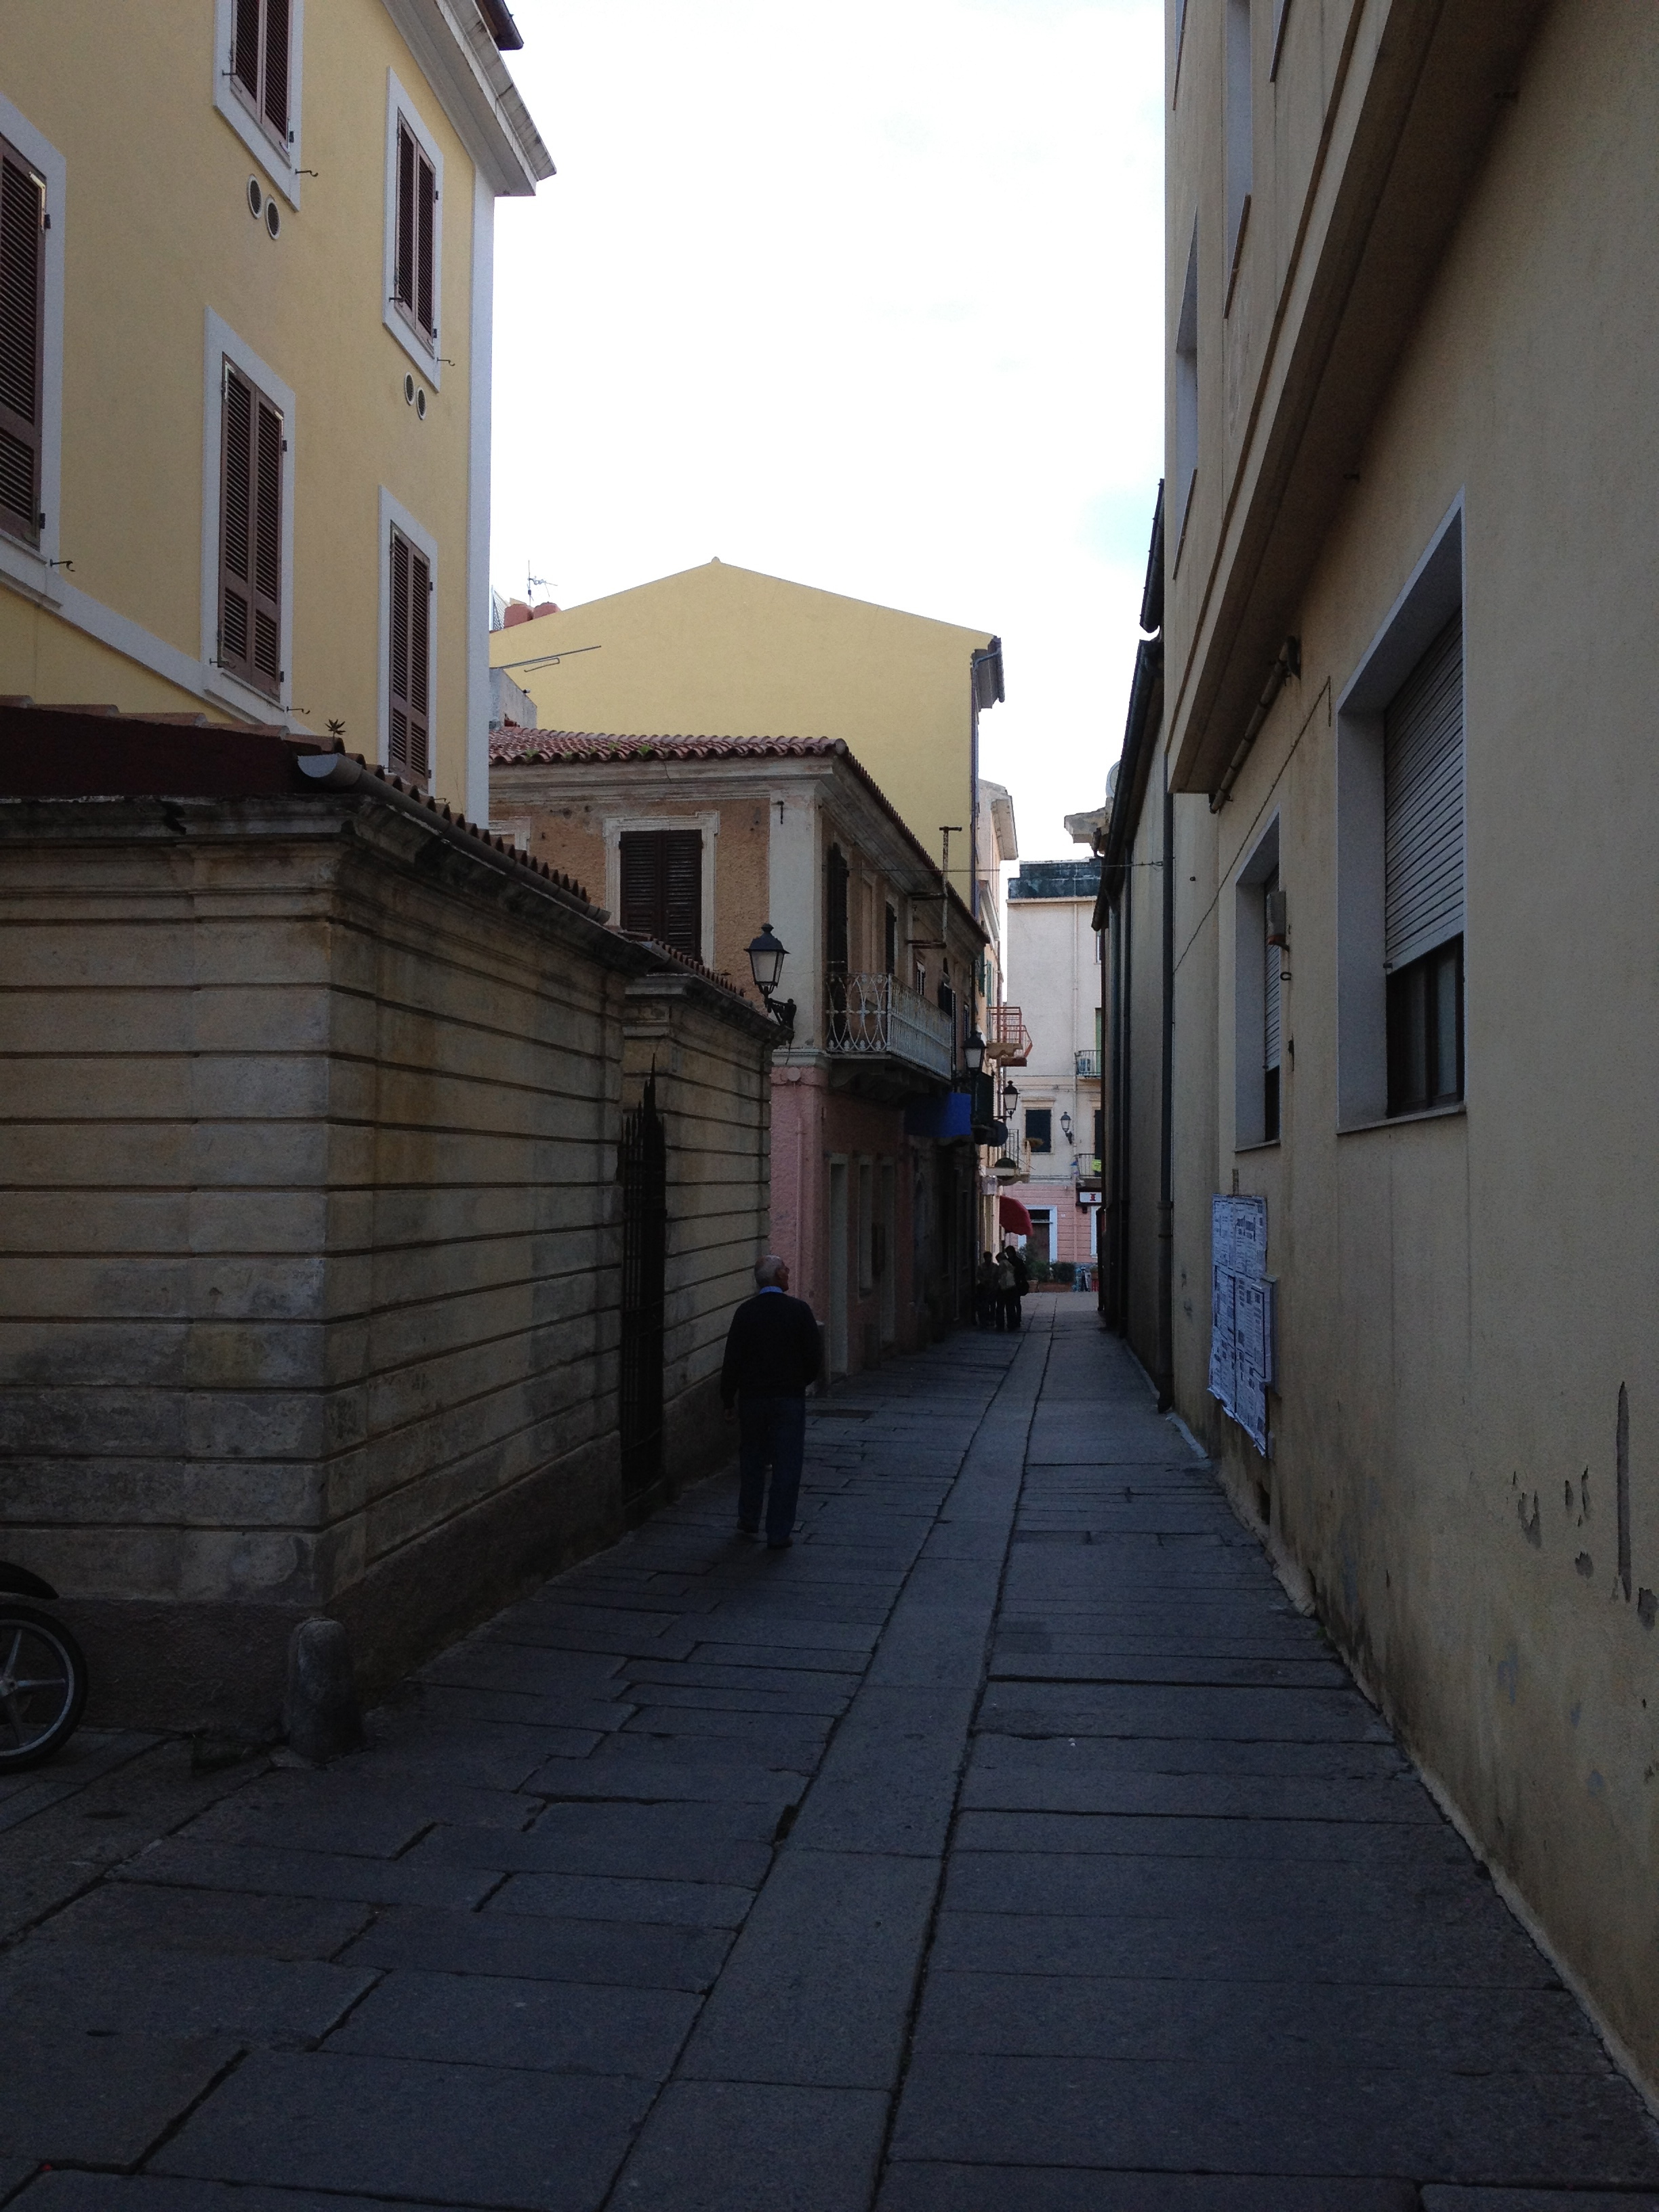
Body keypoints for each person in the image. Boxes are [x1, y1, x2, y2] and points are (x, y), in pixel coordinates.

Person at [720, 1255, 822, 1549]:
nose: (789, 1273)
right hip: (788, 1398)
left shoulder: (746, 1312)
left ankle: (749, 1517)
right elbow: (814, 1356)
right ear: (778, 1276)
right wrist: (798, 1382)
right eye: (786, 1269)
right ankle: (778, 1532)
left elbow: (733, 1359)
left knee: (752, 1458)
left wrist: (728, 1398)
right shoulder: (799, 1311)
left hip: (753, 1399)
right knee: (787, 1465)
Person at [1001, 1240, 1029, 1332]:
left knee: (1017, 1303)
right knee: (1012, 1304)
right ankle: (1013, 1321)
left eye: (1009, 1253)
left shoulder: (1018, 1261)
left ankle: (1018, 1319)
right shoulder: (1007, 1262)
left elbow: (1024, 1272)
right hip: (1009, 1285)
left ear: (1013, 1253)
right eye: (1007, 1253)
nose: (1008, 1254)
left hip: (1017, 1284)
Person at [975, 1251, 1000, 1331]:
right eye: (987, 1257)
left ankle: (992, 1320)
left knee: (992, 1305)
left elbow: (998, 1277)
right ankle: (985, 1320)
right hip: (984, 1288)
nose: (988, 1259)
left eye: (989, 1257)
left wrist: (994, 1284)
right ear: (985, 1258)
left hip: (993, 1288)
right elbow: (979, 1276)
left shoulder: (995, 1267)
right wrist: (984, 1281)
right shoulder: (981, 1267)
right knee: (984, 1305)